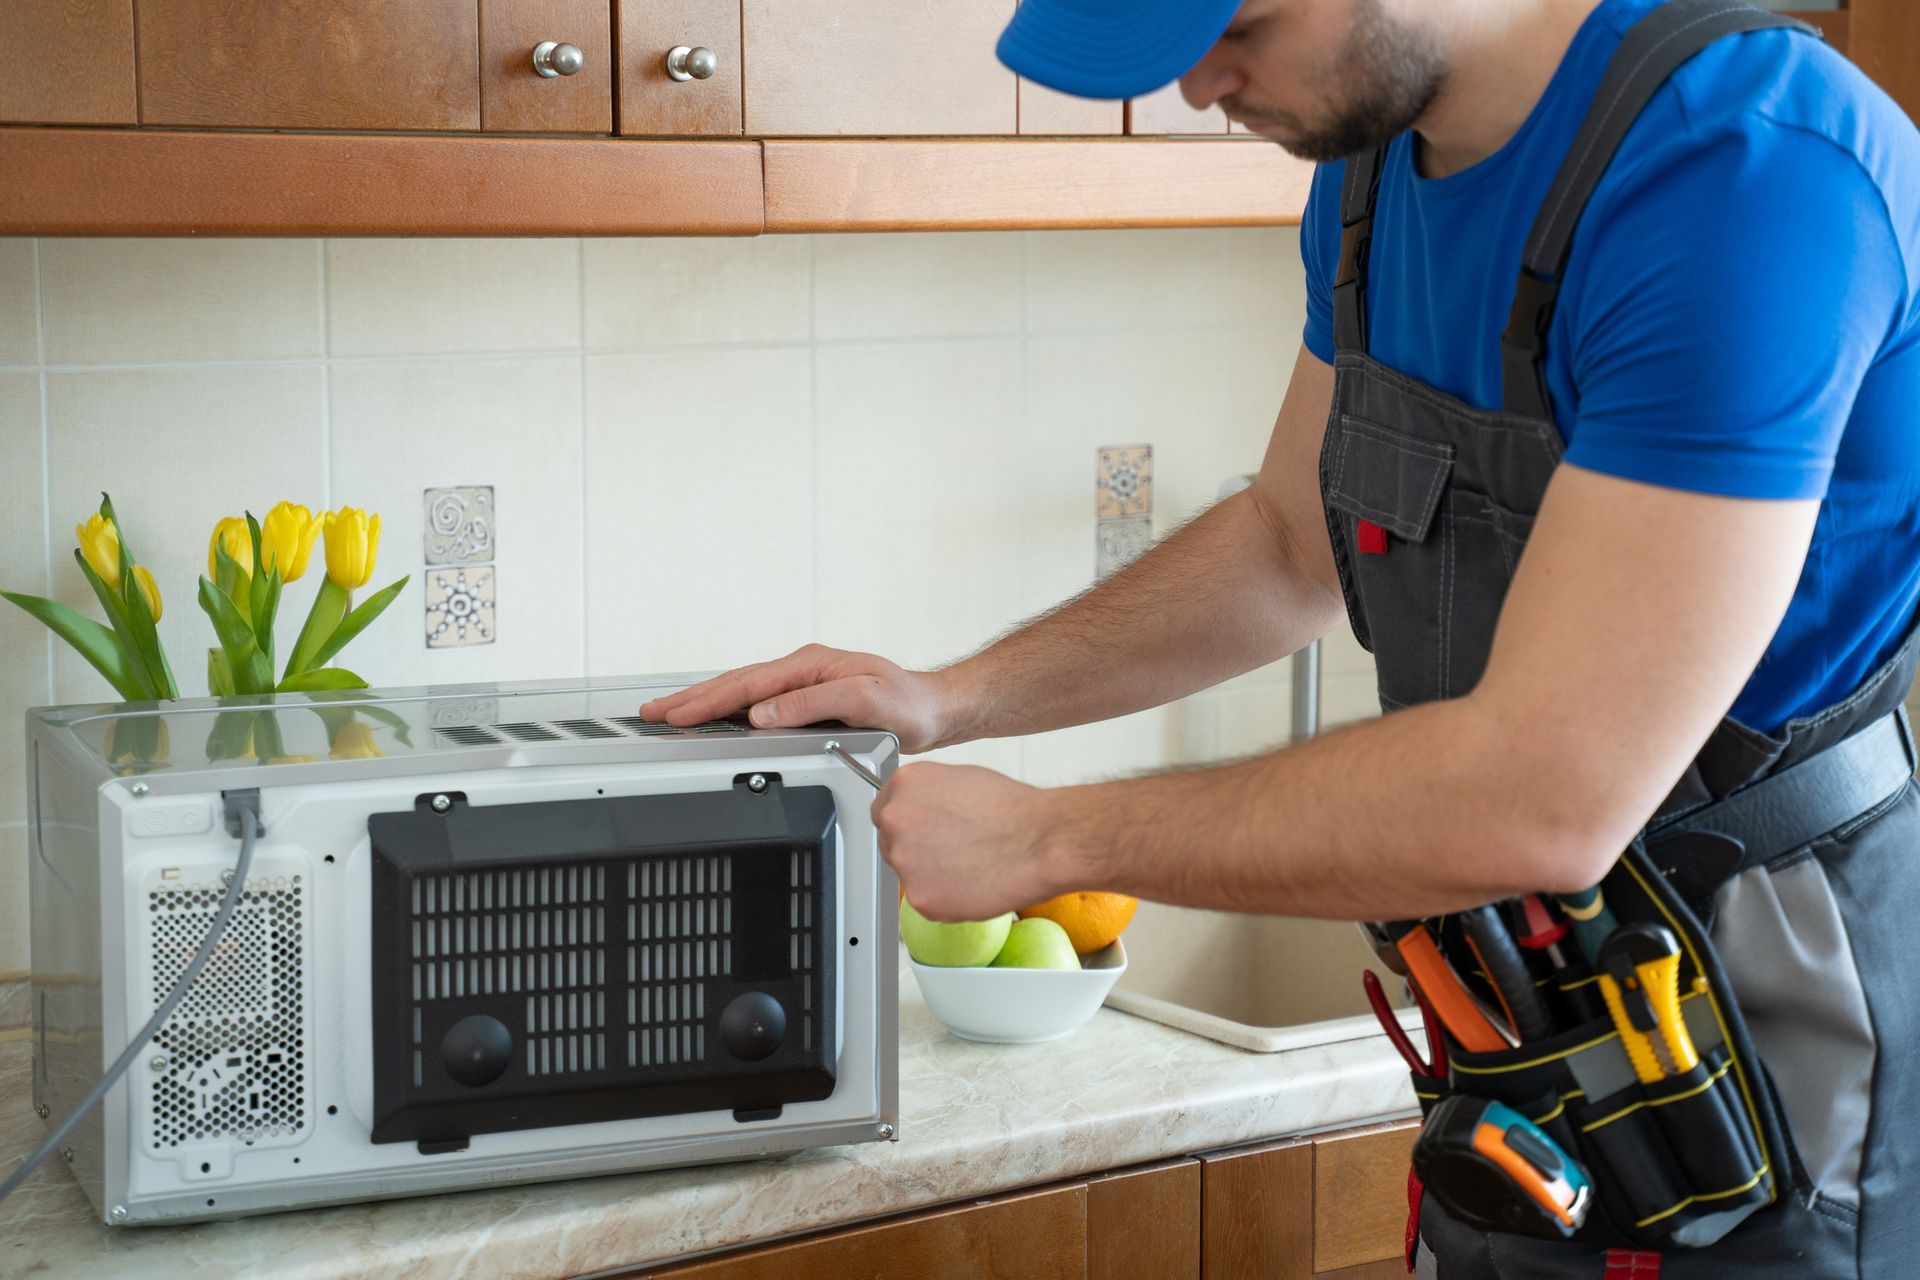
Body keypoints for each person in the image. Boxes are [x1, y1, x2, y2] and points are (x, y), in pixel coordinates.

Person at [643, 1, 1920, 1274]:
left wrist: (1049, 836)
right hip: (1527, 1042)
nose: (1200, 85)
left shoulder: (1740, 173)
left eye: (1232, 26)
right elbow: (1287, 544)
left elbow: (1548, 792)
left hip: (1771, 1064)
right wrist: (955, 695)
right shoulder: (1371, 166)